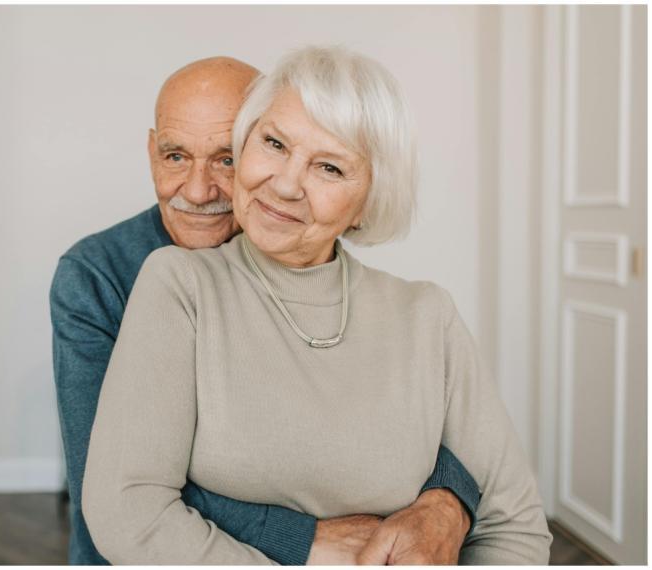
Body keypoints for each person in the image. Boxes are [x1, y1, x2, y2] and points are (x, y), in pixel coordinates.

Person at [81, 47, 553, 565]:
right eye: (274, 143)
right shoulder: (179, 285)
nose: (284, 184)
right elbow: (129, 512)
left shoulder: (427, 315)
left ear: (369, 200)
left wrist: (449, 507)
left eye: (328, 167)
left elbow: (517, 528)